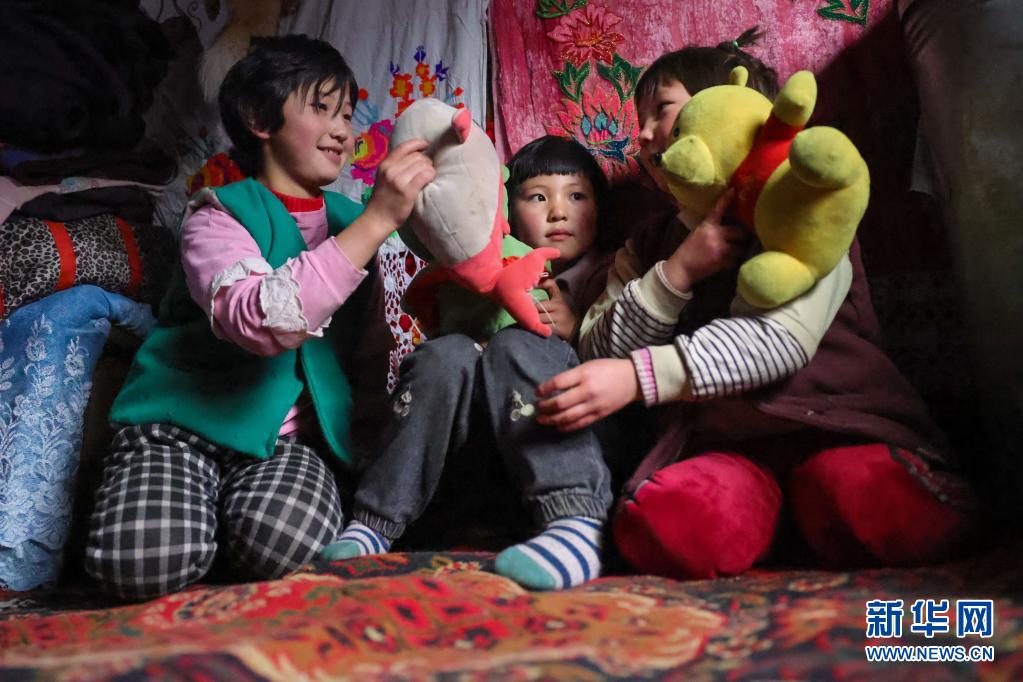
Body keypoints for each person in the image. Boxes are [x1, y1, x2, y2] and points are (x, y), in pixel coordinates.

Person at [535, 32, 977, 579]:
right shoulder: (649, 245)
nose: (642, 135)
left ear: (725, 108)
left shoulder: (805, 202)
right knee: (672, 522)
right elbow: (598, 347)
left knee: (859, 496)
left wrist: (637, 377)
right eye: (639, 121)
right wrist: (676, 273)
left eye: (662, 111)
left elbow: (776, 341)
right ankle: (766, 519)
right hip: (724, 442)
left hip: (837, 419)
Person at [84, 35, 435, 600]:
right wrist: (377, 221)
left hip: (289, 444)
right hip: (180, 429)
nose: (343, 131)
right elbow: (260, 321)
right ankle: (186, 522)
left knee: (285, 546)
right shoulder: (218, 215)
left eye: (347, 114)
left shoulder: (353, 219)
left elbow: (377, 347)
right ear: (258, 117)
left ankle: (223, 528)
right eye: (320, 108)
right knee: (140, 560)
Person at [322, 136, 615, 591]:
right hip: (465, 465)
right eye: (539, 197)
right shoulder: (476, 274)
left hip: (560, 458)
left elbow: (624, 359)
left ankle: (575, 523)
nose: (559, 212)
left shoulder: (608, 273)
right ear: (507, 212)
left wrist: (577, 329)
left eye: (576, 196)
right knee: (447, 354)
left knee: (518, 345)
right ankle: (375, 523)